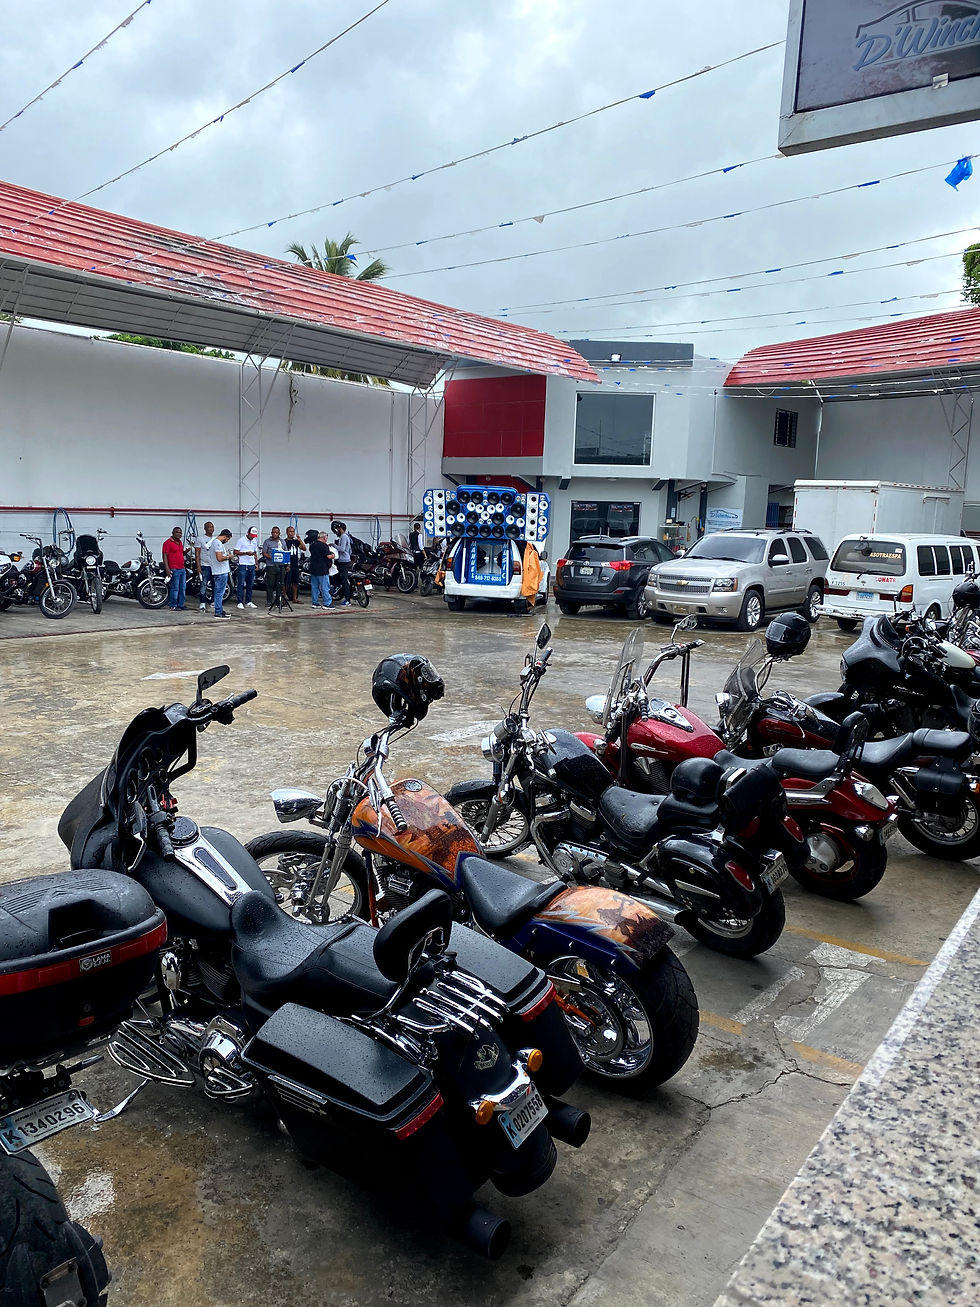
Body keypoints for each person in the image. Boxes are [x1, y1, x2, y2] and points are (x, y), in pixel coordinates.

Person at [211, 529, 234, 619]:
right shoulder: (217, 543)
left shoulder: (216, 543)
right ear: (225, 536)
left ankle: (219, 609)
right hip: (220, 571)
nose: (227, 541)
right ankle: (218, 612)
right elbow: (219, 558)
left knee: (220, 591)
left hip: (221, 571)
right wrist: (229, 557)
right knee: (219, 592)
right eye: (227, 539)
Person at [262, 526, 287, 610]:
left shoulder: (282, 542)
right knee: (270, 584)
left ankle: (278, 601)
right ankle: (269, 601)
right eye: (273, 532)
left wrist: (288, 564)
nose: (275, 534)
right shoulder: (267, 542)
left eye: (276, 532)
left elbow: (286, 552)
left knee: (279, 584)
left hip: (280, 566)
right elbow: (264, 553)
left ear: (279, 533)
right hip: (271, 566)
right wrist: (271, 557)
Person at [162, 526, 186, 611]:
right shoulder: (167, 543)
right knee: (175, 588)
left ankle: (181, 604)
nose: (179, 534)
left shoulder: (180, 542)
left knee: (182, 588)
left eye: (180, 533)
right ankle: (173, 605)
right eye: (177, 532)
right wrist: (167, 569)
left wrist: (185, 552)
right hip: (174, 568)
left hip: (182, 568)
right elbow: (165, 556)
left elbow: (179, 553)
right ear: (172, 533)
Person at [308, 531, 334, 609]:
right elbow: (329, 556)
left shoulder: (312, 545)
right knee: (325, 587)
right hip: (322, 569)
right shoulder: (324, 546)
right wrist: (333, 555)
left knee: (314, 587)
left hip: (313, 569)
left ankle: (315, 602)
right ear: (324, 538)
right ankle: (327, 603)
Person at [235, 527, 259, 608]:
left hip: (251, 564)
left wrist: (256, 563)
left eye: (254, 536)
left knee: (250, 584)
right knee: (241, 584)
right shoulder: (241, 540)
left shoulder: (254, 541)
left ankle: (248, 601)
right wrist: (245, 553)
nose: (252, 537)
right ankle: (240, 601)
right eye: (251, 535)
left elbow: (255, 552)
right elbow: (235, 551)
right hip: (243, 564)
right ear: (248, 533)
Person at [331, 520, 353, 606]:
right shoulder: (345, 536)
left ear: (340, 528)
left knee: (344, 580)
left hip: (343, 561)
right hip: (343, 560)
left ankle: (347, 599)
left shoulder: (344, 536)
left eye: (337, 529)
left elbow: (342, 549)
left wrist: (333, 545)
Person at [195, 521, 215, 611]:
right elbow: (197, 553)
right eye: (209, 527)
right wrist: (198, 566)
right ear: (205, 528)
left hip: (214, 566)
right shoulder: (200, 539)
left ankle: (213, 601)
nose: (211, 528)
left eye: (212, 527)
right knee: (204, 584)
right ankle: (202, 602)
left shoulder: (215, 539)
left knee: (215, 585)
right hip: (204, 565)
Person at [284, 525, 307, 603]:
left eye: (293, 531)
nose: (292, 533)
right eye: (290, 531)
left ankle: (294, 598)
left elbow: (304, 548)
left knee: (295, 582)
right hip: (287, 564)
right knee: (285, 582)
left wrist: (300, 540)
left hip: (295, 564)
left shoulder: (296, 541)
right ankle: (283, 597)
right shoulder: (284, 541)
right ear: (287, 532)